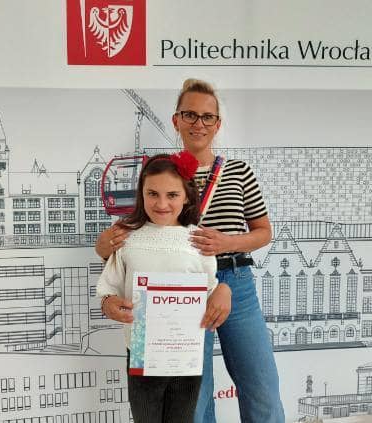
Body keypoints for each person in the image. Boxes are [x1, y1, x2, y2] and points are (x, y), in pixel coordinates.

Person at [96, 79, 285, 423]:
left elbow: (264, 232)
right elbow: (137, 231)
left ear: (218, 124)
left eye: (207, 117)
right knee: (193, 396)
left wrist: (227, 243)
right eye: (190, 115)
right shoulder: (161, 172)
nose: (199, 123)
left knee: (261, 385)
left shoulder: (239, 171)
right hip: (179, 286)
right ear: (176, 120)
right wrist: (102, 246)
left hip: (235, 281)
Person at [96, 151, 232, 423]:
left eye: (172, 195)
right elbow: (109, 287)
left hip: (186, 359)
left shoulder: (199, 242)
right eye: (152, 194)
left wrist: (222, 291)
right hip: (142, 356)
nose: (161, 203)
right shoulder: (127, 238)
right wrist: (108, 303)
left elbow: (210, 290)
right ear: (141, 194)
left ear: (186, 196)